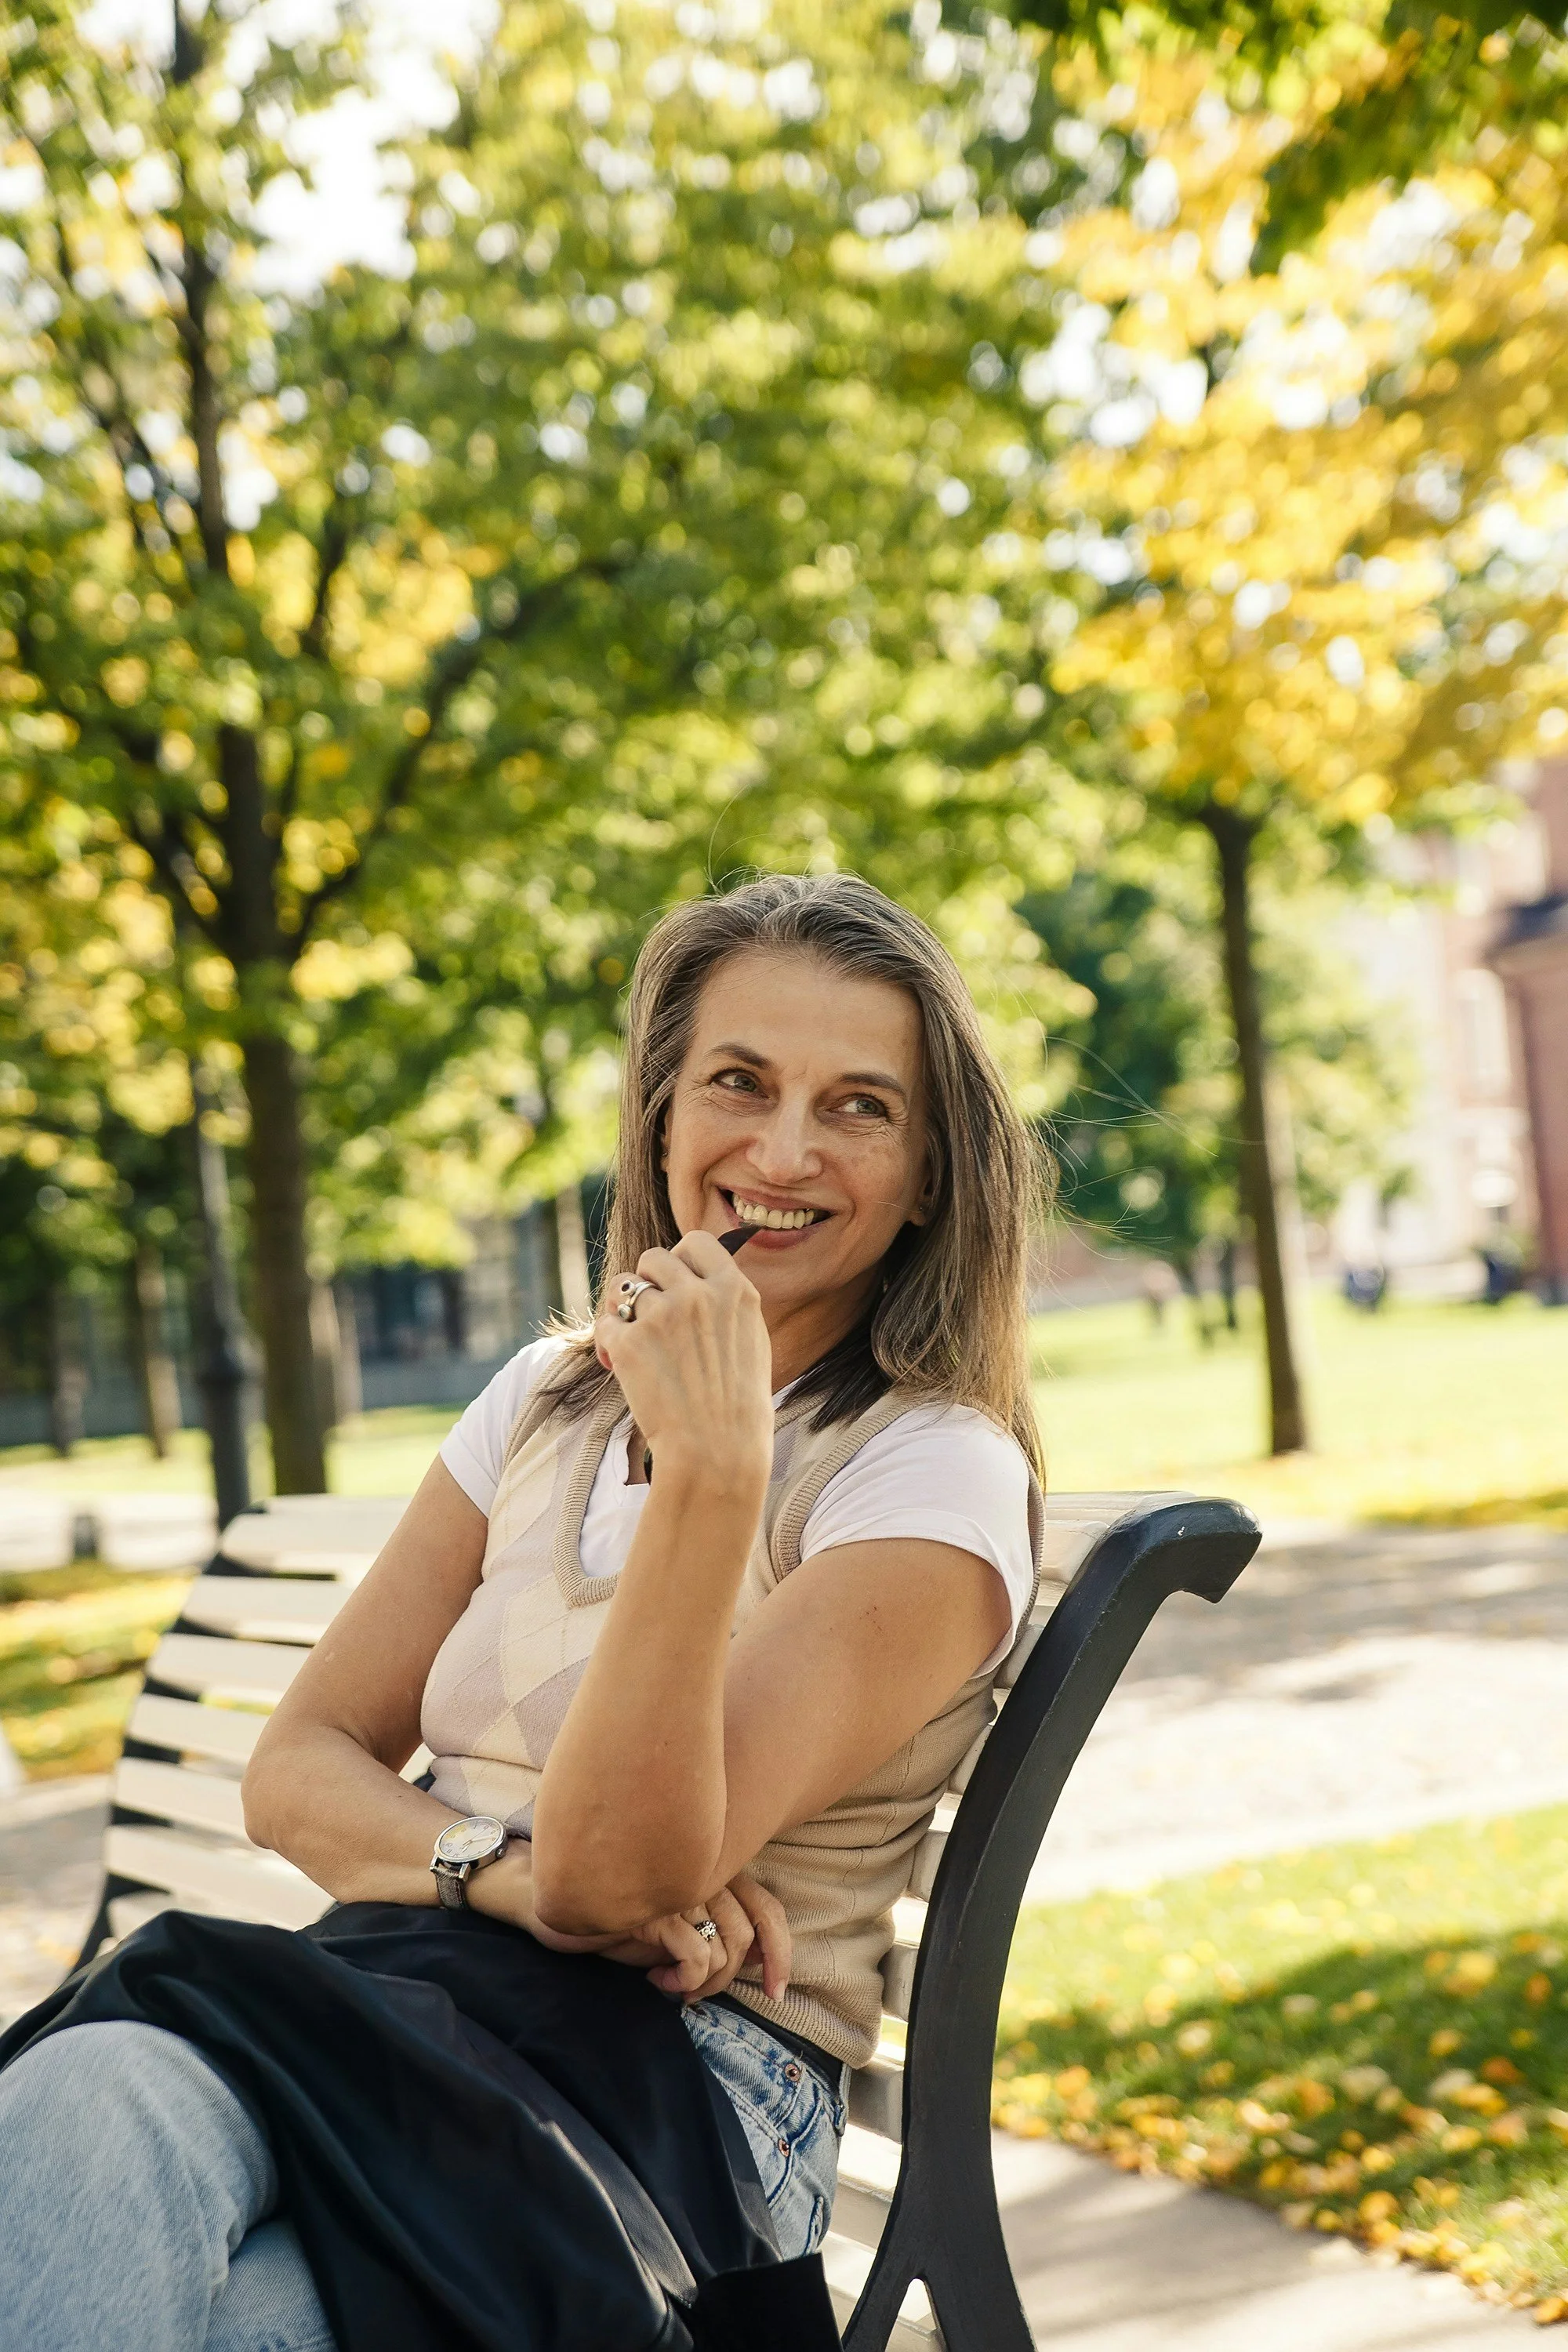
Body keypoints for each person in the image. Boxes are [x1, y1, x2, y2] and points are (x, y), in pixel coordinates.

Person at [0, 872, 1046, 2352]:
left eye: (861, 1107)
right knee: (82, 2099)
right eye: (737, 1084)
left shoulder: (928, 1472)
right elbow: (294, 1770)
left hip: (666, 2102)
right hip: (395, 2005)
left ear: (932, 1170)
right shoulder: (548, 1398)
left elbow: (618, 1885)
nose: (785, 1148)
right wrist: (488, 1870)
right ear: (665, 1122)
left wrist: (710, 1472)